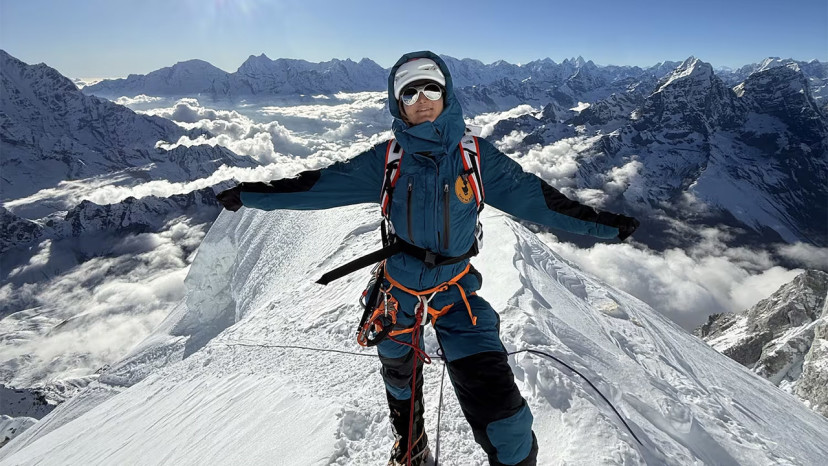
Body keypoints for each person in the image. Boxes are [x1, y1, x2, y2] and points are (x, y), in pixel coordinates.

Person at [217, 51, 639, 466]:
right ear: (397, 103)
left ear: (446, 94)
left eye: (431, 89)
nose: (422, 100)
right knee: (400, 384)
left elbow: (540, 201)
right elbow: (316, 187)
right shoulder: (387, 161)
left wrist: (606, 225)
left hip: (455, 292)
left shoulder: (476, 158)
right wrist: (250, 195)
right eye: (409, 92)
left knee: (505, 422)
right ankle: (411, 448)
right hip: (396, 292)